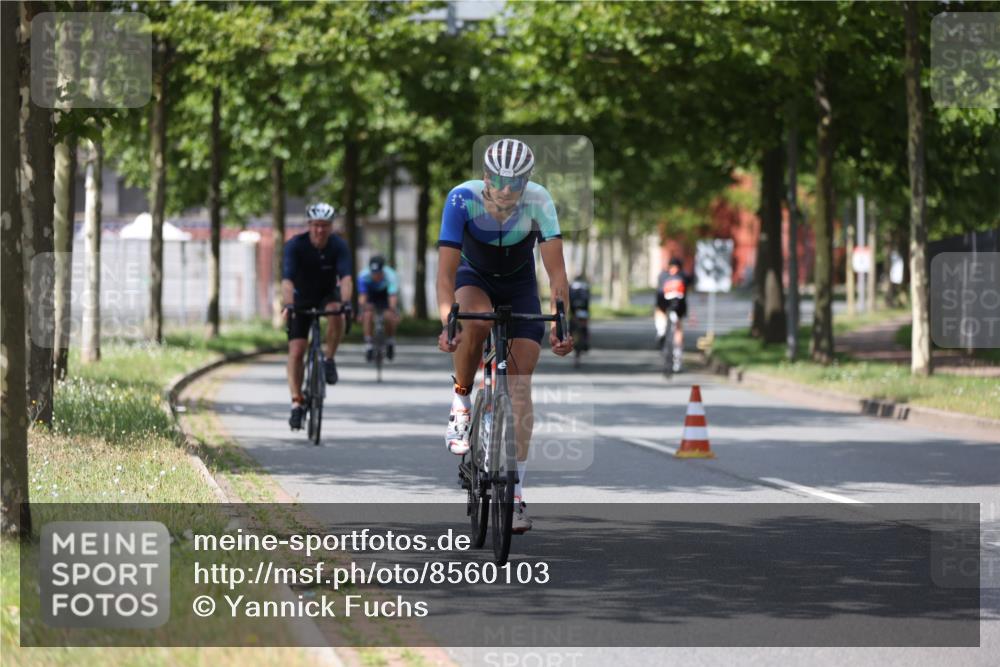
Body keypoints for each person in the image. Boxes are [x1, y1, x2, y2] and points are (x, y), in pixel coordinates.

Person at [436, 138, 574, 533]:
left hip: (519, 286)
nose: (507, 191)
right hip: (473, 279)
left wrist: (562, 324)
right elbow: (445, 274)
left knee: (520, 387)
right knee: (476, 322)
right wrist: (448, 322)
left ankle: (514, 493)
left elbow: (557, 274)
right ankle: (462, 400)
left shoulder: (540, 201)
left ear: (527, 182)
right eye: (499, 182)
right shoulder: (461, 200)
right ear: (486, 177)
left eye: (516, 184)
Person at [281, 202, 353, 430]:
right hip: (301, 298)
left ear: (331, 227)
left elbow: (346, 279)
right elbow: (287, 281)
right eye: (316, 225)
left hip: (326, 295)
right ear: (309, 225)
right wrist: (288, 304)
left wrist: (347, 303)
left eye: (325, 225)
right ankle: (296, 401)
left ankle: (329, 359)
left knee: (336, 312)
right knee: (296, 351)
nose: (320, 230)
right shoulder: (295, 245)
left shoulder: (339, 245)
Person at [357, 255, 400, 361]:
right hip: (371, 295)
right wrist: (361, 311)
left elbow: (392, 296)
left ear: (383, 270)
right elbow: (363, 296)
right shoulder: (363, 276)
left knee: (389, 316)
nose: (376, 276)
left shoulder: (391, 276)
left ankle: (390, 341)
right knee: (367, 315)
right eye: (373, 273)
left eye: (378, 273)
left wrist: (393, 311)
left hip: (385, 296)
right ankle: (369, 345)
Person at [655, 256, 692, 373]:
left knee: (660, 312)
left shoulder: (663, 275)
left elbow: (659, 291)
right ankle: (677, 357)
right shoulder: (683, 275)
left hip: (668, 305)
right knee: (678, 329)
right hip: (676, 306)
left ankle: (661, 331)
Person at [569, 274, 591, 352]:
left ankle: (570, 341)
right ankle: (586, 343)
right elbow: (588, 301)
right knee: (585, 327)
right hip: (584, 311)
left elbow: (569, 301)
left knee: (572, 327)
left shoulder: (571, 287)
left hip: (574, 311)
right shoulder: (586, 287)